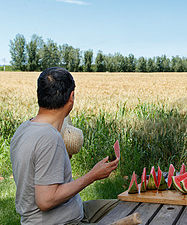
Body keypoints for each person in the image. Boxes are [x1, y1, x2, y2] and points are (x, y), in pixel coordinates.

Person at [10, 67, 119, 224]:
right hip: (61, 221)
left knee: (126, 204)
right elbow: (45, 201)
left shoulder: (24, 128)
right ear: (71, 97)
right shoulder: (49, 138)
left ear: (39, 95)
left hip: (73, 211)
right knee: (139, 213)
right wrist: (92, 176)